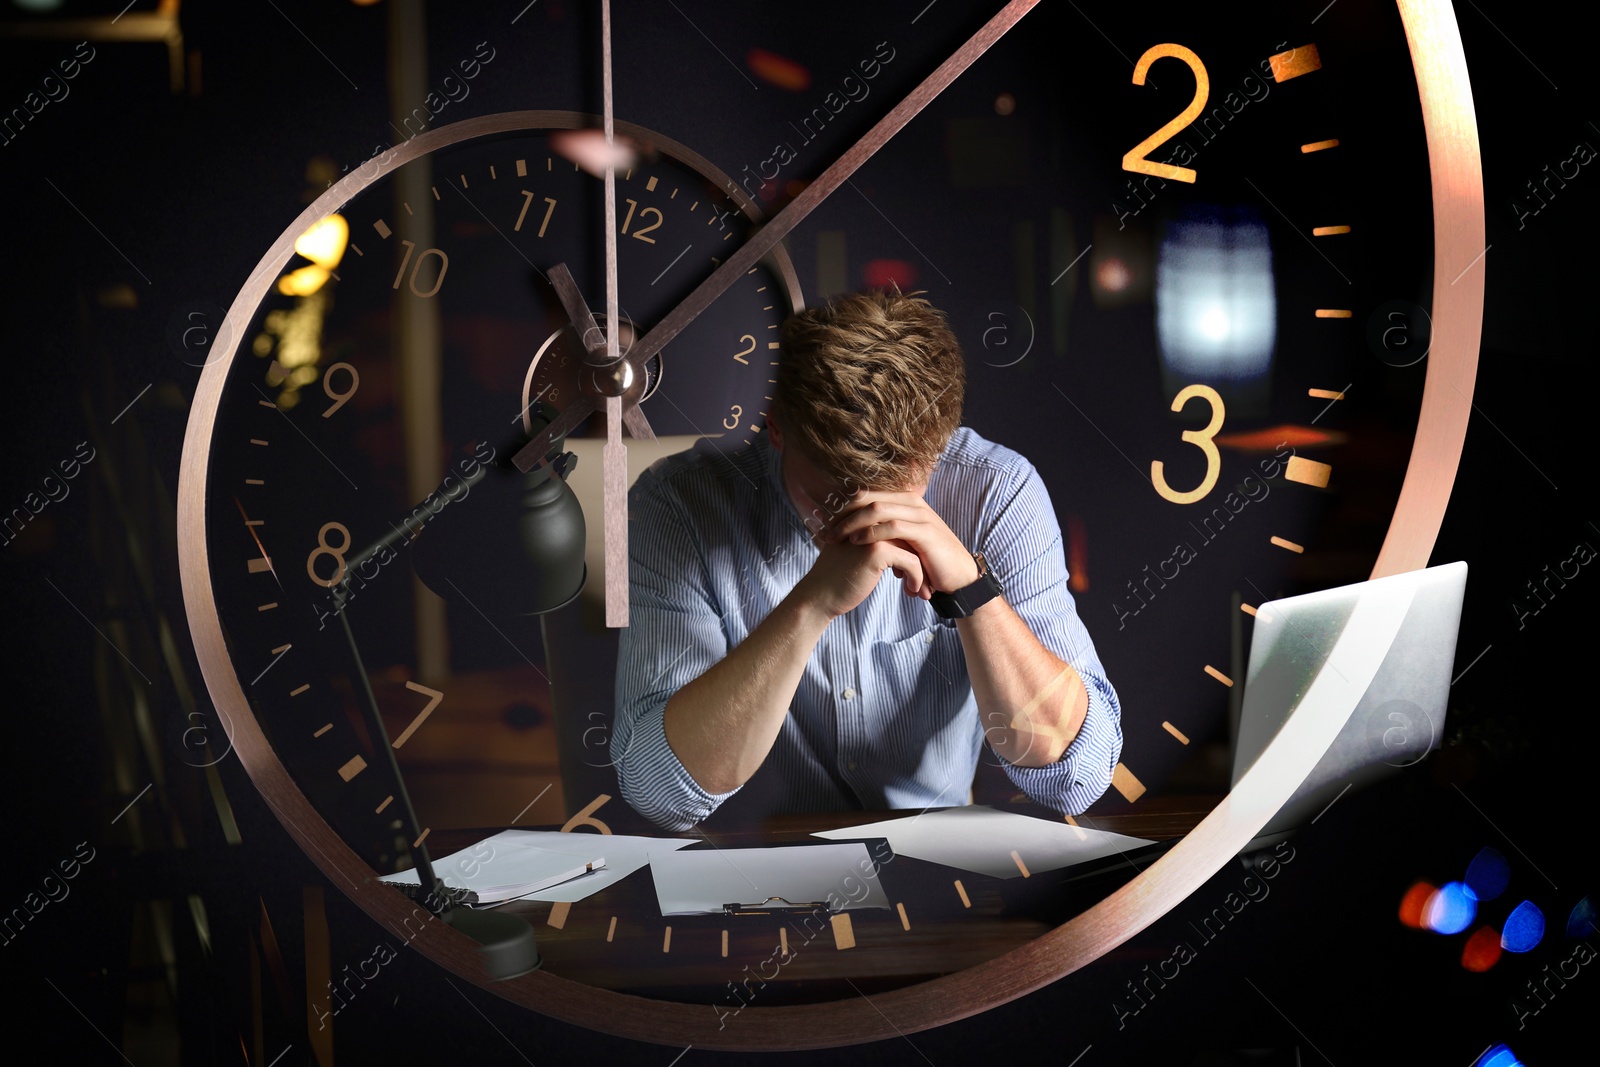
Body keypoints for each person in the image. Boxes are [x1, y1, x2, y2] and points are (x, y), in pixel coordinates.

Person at [612, 289, 1121, 831]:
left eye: (897, 498)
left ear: (938, 443)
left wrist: (975, 594)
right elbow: (660, 792)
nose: (868, 532)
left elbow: (1079, 775)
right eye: (834, 502)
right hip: (742, 870)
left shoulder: (996, 491)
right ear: (776, 428)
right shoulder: (676, 503)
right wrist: (812, 604)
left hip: (933, 874)